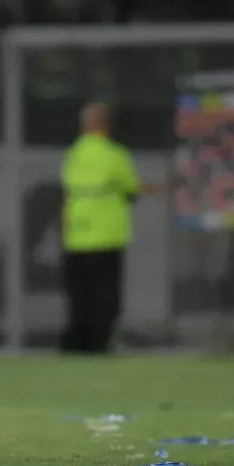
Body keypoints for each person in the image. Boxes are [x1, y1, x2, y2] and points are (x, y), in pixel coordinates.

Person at [60, 102, 147, 353]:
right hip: (107, 236)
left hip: (76, 234)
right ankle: (100, 342)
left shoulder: (73, 154)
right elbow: (132, 189)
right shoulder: (115, 155)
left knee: (79, 296)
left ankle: (77, 343)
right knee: (105, 297)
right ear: (106, 125)